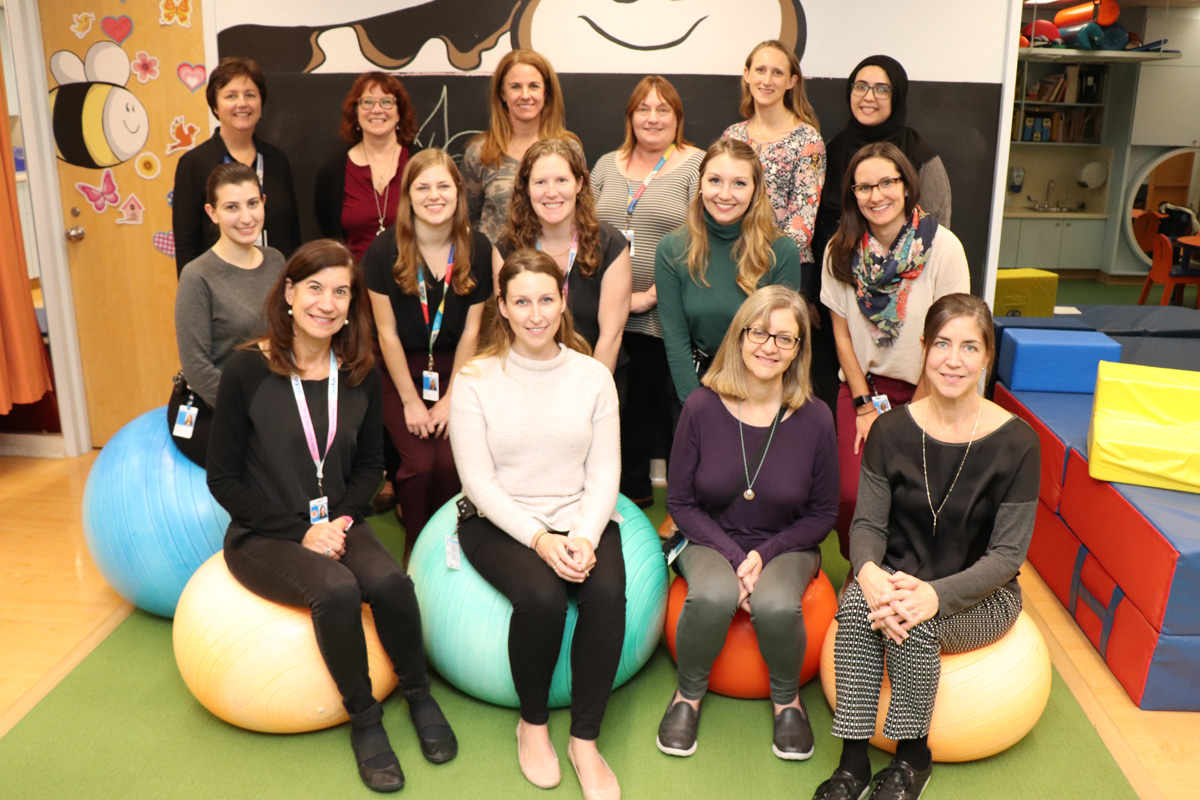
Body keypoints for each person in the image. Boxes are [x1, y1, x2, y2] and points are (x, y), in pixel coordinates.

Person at [207, 240, 456, 794]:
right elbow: (222, 479)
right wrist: (302, 531)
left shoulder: (359, 371)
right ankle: (365, 719)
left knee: (391, 582)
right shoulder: (248, 369)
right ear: (290, 293)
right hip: (264, 533)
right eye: (315, 288)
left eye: (341, 291)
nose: (328, 302)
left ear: (352, 303)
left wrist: (341, 522)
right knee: (338, 591)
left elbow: (370, 467)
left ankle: (418, 694)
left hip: (337, 521)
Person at [811, 293, 1038, 800]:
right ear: (923, 348)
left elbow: (1006, 557)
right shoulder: (890, 429)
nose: (953, 360)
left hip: (982, 595)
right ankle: (852, 763)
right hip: (895, 576)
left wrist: (932, 597)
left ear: (987, 358)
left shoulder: (1019, 442)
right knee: (854, 611)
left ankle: (914, 758)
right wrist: (868, 573)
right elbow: (867, 523)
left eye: (969, 347)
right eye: (941, 344)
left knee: (916, 625)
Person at [449, 249, 624, 800]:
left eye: (546, 299)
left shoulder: (593, 376)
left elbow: (605, 472)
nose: (535, 314)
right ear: (500, 306)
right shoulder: (475, 378)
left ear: (563, 300)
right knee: (543, 598)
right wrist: (541, 539)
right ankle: (532, 723)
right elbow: (478, 482)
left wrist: (585, 537)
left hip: (578, 516)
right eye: (520, 301)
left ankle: (586, 741)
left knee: (607, 594)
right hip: (499, 521)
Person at [658, 286, 836, 761]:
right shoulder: (701, 406)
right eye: (759, 332)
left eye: (784, 338)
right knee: (715, 594)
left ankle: (788, 702)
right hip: (707, 536)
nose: (769, 346)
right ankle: (687, 696)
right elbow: (680, 501)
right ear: (739, 336)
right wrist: (739, 558)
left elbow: (823, 514)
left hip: (787, 542)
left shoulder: (816, 418)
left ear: (798, 350)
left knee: (776, 604)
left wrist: (764, 555)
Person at [820, 142, 969, 560]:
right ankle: (861, 571)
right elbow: (842, 334)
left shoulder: (944, 248)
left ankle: (903, 574)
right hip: (864, 391)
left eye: (887, 182)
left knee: (917, 495)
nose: (876, 195)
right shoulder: (840, 251)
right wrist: (865, 406)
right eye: (864, 187)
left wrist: (915, 413)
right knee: (851, 495)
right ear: (852, 194)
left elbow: (949, 337)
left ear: (907, 186)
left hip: (932, 391)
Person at [363, 149, 490, 557]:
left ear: (458, 192)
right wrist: (410, 403)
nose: (434, 196)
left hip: (459, 370)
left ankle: (453, 547)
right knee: (420, 465)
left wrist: (453, 398)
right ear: (408, 196)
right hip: (399, 372)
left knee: (453, 464)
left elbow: (472, 330)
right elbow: (386, 334)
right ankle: (419, 553)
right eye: (422, 187)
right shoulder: (383, 252)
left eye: (443, 185)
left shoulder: (479, 248)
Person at [591, 75, 703, 506]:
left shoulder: (696, 165)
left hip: (667, 314)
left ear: (678, 118)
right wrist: (618, 301)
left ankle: (684, 509)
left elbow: (701, 237)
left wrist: (652, 294)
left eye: (663, 110)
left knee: (678, 414)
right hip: (609, 318)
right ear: (630, 116)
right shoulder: (604, 166)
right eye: (644, 109)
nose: (652, 118)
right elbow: (586, 232)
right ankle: (629, 500)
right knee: (622, 413)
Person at [656, 138, 802, 409]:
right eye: (714, 180)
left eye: (739, 183)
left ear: (755, 190)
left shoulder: (781, 251)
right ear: (700, 184)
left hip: (761, 390)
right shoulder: (672, 249)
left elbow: (784, 341)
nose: (724, 194)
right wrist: (695, 407)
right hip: (697, 386)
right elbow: (675, 339)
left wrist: (755, 405)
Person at [171, 162, 286, 467]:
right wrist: (256, 410)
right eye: (232, 207)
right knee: (267, 465)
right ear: (212, 213)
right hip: (212, 407)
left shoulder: (276, 261)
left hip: (270, 398)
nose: (246, 218)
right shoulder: (197, 276)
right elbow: (196, 367)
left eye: (252, 204)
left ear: (263, 203)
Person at [494, 138, 632, 377]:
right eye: (540, 182)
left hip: (596, 377)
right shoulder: (507, 250)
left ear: (579, 184)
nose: (551, 192)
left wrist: (587, 398)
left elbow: (611, 336)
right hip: (528, 379)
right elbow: (508, 331)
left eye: (561, 180)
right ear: (526, 187)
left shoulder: (611, 245)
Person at [813, 55, 952, 266]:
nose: (868, 97)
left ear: (896, 96)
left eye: (881, 89)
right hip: (835, 277)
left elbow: (937, 233)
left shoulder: (920, 157)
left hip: (903, 284)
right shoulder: (831, 150)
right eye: (861, 87)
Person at [172, 57, 300, 276]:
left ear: (261, 102)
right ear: (215, 105)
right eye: (231, 96)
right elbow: (186, 244)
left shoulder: (277, 160)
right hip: (220, 289)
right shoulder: (194, 164)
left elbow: (292, 234)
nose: (242, 103)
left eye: (250, 95)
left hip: (275, 284)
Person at [722, 40, 825, 288]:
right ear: (747, 75)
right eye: (760, 70)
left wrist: (762, 264)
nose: (767, 80)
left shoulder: (808, 140)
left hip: (784, 269)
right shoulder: (732, 137)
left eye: (777, 72)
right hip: (731, 263)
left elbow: (801, 223)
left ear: (791, 81)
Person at [462, 50, 580, 244]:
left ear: (546, 92)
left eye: (534, 86)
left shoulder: (569, 149)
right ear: (502, 93)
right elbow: (467, 220)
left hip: (554, 267)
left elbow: (582, 214)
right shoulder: (480, 152)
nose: (525, 96)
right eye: (515, 87)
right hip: (494, 269)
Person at [314, 72, 419, 263]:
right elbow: (329, 232)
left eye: (386, 102)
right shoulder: (333, 171)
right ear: (355, 112)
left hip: (413, 283)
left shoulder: (420, 164)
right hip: (355, 286)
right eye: (367, 102)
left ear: (399, 113)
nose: (377, 110)